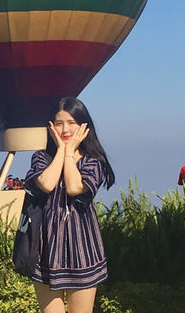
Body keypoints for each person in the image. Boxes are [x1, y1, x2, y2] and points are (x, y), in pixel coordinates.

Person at [23, 96, 115, 313]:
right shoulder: (41, 158)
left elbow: (75, 187)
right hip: (45, 247)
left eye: (72, 123)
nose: (65, 129)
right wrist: (63, 151)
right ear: (51, 126)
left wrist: (69, 153)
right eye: (59, 123)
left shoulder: (93, 161)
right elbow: (46, 183)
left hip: (82, 246)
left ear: (84, 126)